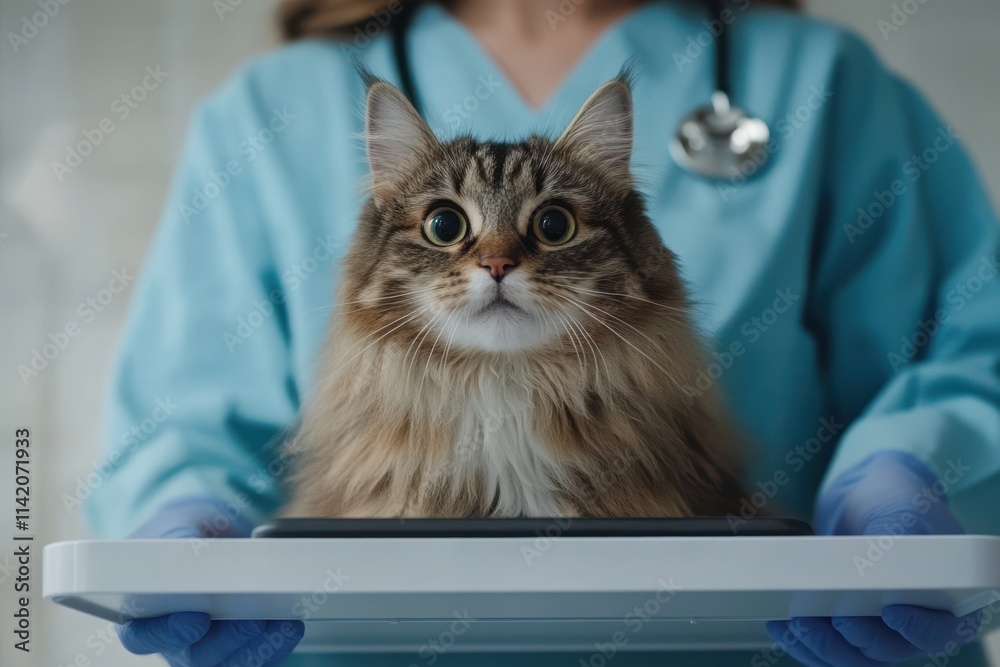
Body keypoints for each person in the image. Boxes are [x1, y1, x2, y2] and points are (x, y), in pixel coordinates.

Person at [85, 0, 1000, 665]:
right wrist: (186, 523)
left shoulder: (819, 80)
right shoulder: (272, 107)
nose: (495, 260)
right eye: (449, 226)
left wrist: (910, 477)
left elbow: (966, 350)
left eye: (551, 226)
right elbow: (181, 416)